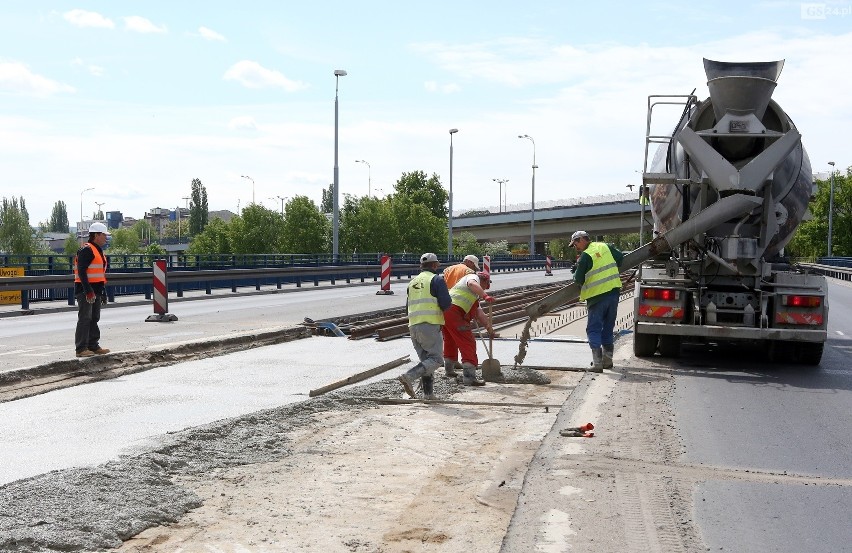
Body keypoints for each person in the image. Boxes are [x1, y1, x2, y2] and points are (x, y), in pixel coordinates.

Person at [397, 252, 452, 400]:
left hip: (413, 326)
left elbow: (407, 307)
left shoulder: (412, 283)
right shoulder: (436, 280)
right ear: (434, 265)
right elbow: (446, 303)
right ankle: (409, 376)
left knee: (426, 363)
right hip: (430, 325)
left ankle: (428, 395)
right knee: (436, 360)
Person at [569, 230, 624, 371]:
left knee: (593, 329)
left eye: (575, 243)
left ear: (582, 239)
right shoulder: (605, 246)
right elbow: (620, 258)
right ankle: (608, 360)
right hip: (613, 293)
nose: (575, 246)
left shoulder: (585, 256)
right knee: (608, 327)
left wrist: (576, 270)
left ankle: (598, 363)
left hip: (597, 297)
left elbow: (578, 279)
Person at [442, 271, 495, 386]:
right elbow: (472, 284)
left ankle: (449, 370)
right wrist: (485, 296)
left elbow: (480, 314)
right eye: (486, 285)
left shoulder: (473, 296)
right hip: (454, 312)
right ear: (483, 281)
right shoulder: (472, 277)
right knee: (468, 342)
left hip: (444, 312)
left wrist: (489, 329)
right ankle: (469, 377)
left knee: (450, 341)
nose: (486, 288)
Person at [74, 222, 111, 358]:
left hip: (96, 289)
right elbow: (82, 271)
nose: (106, 238)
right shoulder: (87, 250)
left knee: (94, 318)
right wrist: (88, 290)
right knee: (85, 318)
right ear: (96, 235)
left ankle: (93, 345)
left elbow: (99, 274)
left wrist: (102, 292)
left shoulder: (98, 250)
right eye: (104, 235)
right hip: (85, 290)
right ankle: (81, 348)